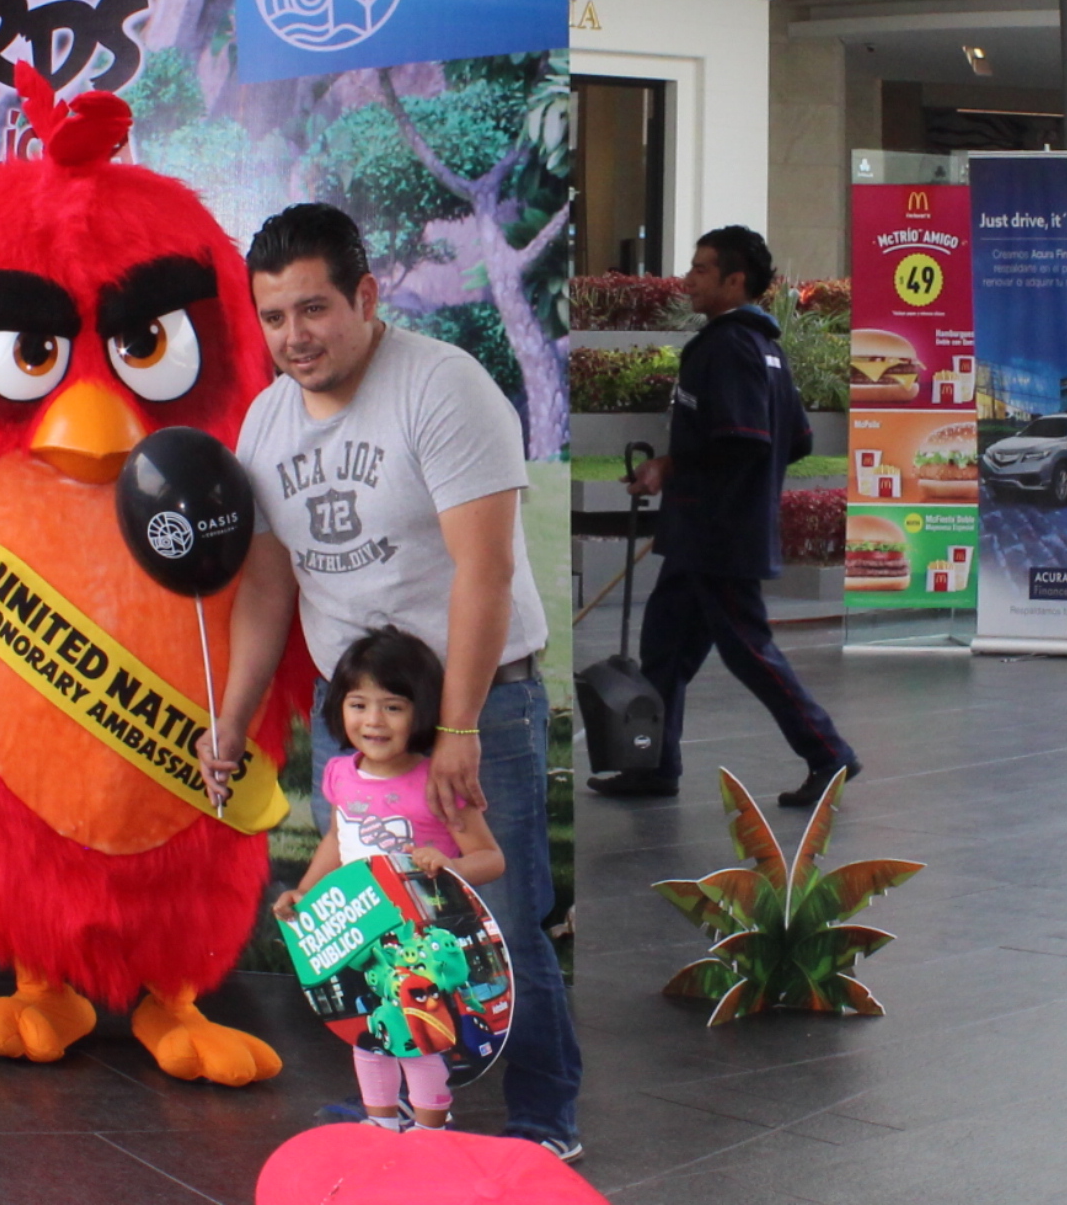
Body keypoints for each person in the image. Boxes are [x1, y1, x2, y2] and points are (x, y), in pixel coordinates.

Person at [202, 203, 583, 1161]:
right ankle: (407, 1109)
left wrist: (456, 728)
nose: (295, 336)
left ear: (366, 297)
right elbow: (266, 587)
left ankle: (544, 1120)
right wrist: (232, 721)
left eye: (315, 309)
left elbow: (485, 570)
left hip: (475, 701)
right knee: (376, 923)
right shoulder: (266, 419)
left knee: (498, 918)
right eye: (275, 316)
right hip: (358, 721)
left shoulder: (443, 387)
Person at [590, 227, 860, 809]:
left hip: (718, 535)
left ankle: (828, 753)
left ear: (735, 281)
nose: (688, 279)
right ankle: (653, 765)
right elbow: (798, 439)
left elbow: (743, 438)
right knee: (665, 647)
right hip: (705, 532)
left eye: (701, 269)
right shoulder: (766, 348)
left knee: (749, 650)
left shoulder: (730, 346)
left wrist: (670, 467)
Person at [274, 629, 507, 1132]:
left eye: (393, 707)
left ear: (422, 712)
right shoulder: (340, 773)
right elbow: (338, 839)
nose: (373, 721)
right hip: (363, 939)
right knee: (369, 1038)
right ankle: (380, 1128)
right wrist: (307, 892)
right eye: (358, 704)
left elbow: (491, 859)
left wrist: (447, 867)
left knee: (418, 1041)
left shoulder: (436, 782)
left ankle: (430, 1133)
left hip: (418, 945)